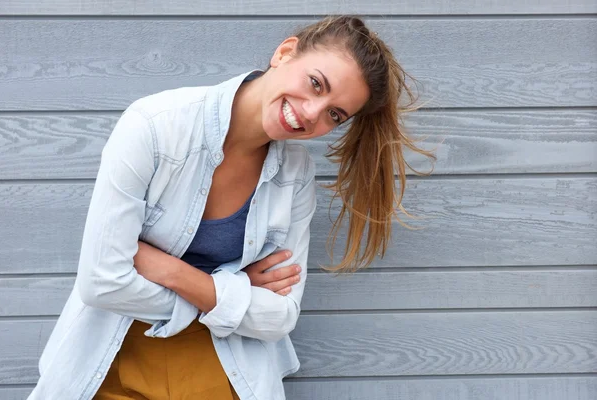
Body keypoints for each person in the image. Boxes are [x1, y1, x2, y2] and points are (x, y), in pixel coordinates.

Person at [29, 15, 434, 400]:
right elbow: (102, 281)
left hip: (223, 358)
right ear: (285, 52)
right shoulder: (154, 125)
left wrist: (172, 271)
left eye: (334, 114)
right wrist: (232, 293)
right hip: (110, 353)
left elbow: (278, 317)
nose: (311, 114)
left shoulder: (295, 174)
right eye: (315, 83)